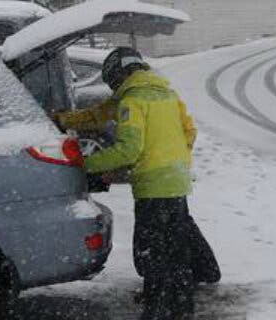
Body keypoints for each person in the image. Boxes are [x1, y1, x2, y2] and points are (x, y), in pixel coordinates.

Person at [56, 47, 218, 320]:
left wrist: (84, 165)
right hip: (176, 179)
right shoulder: (166, 93)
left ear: (117, 76)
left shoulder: (133, 101)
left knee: (153, 250)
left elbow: (128, 150)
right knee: (175, 242)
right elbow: (188, 130)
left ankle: (159, 309)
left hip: (153, 186)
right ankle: (187, 293)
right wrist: (64, 119)